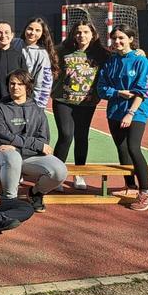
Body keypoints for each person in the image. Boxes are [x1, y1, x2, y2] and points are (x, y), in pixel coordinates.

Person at [0, 70, 68, 213]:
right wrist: (36, 145)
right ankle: (9, 200)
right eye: (12, 83)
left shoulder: (37, 109)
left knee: (60, 170)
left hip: (29, 156)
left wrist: (20, 146)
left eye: (20, 84)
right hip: (6, 156)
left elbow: (44, 139)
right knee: (13, 157)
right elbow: (4, 137)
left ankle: (36, 192)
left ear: (27, 87)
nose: (15, 87)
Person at [97, 24, 148, 211]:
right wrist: (116, 93)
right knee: (121, 148)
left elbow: (143, 90)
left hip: (136, 111)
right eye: (114, 38)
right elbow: (102, 87)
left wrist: (131, 113)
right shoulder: (110, 61)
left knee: (133, 147)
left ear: (131, 39)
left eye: (122, 38)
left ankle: (146, 191)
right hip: (115, 111)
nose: (117, 42)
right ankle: (130, 186)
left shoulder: (141, 61)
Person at [52, 19, 109, 190]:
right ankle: (56, 175)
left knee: (82, 137)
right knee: (66, 135)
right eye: (78, 32)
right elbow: (45, 53)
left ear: (93, 35)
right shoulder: (62, 50)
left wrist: (139, 52)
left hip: (87, 102)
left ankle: (79, 173)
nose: (81, 35)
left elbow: (123, 53)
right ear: (73, 34)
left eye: (85, 32)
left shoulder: (101, 54)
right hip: (63, 100)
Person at [21, 17, 58, 109]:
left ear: (42, 34)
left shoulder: (42, 54)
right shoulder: (14, 44)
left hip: (28, 100)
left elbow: (43, 82)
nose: (32, 33)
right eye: (30, 29)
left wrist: (39, 105)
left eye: (37, 30)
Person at [0, 21, 28, 103]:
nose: (3, 36)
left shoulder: (18, 56)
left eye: (7, 32)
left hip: (13, 102)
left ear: (12, 35)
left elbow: (25, 80)